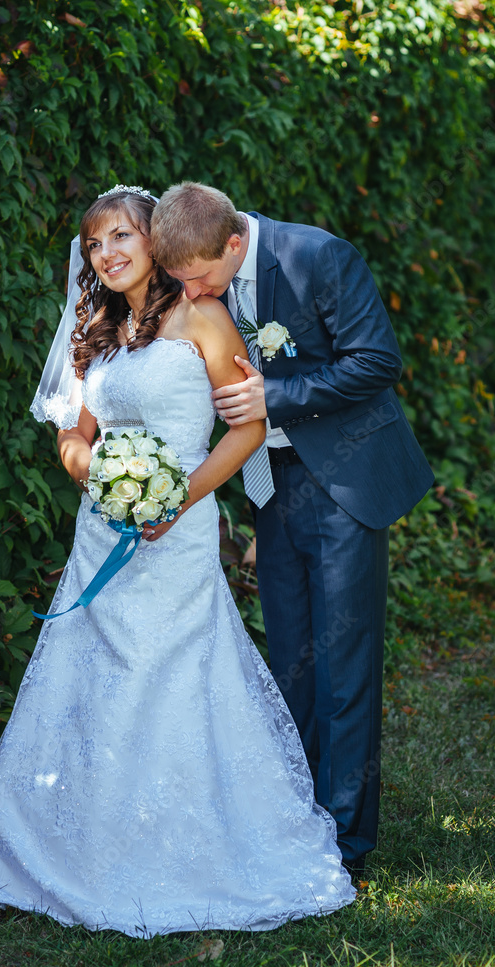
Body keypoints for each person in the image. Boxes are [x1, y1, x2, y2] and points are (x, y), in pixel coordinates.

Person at [0, 185, 356, 937]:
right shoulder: (95, 327)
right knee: (89, 676)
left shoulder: (203, 317)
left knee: (172, 676)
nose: (109, 254)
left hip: (180, 533)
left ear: (154, 242)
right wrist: (103, 479)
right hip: (103, 534)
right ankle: (79, 841)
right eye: (96, 244)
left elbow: (247, 429)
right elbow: (74, 439)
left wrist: (174, 496)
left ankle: (189, 840)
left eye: (122, 236)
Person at [151, 182, 434, 880]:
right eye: (179, 281)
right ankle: (294, 817)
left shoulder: (317, 256)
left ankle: (345, 846)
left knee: (344, 668)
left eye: (199, 279)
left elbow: (376, 361)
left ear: (236, 243)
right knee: (291, 661)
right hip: (270, 489)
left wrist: (275, 396)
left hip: (344, 482)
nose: (190, 295)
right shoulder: (201, 282)